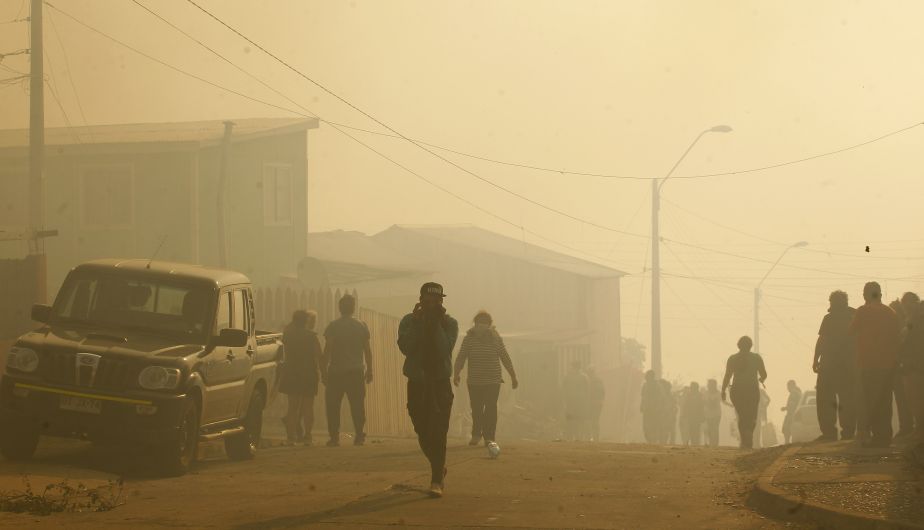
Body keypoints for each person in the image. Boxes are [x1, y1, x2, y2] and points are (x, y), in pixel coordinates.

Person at [398, 282, 459, 498]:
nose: (432, 305)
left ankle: (436, 479)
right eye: (428, 301)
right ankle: (437, 464)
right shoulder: (409, 321)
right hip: (417, 383)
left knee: (439, 432)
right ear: (420, 301)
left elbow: (444, 350)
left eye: (437, 301)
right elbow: (406, 347)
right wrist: (418, 324)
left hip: (440, 384)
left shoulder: (450, 324)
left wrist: (436, 326)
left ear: (442, 302)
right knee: (422, 430)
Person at [453, 310, 518, 447]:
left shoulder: (495, 338)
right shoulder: (469, 338)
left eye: (485, 323)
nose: (482, 326)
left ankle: (489, 437)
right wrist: (456, 373)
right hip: (475, 381)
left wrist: (513, 376)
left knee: (490, 408)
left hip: (493, 381)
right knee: (476, 408)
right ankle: (476, 434)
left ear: (489, 325)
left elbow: (504, 357)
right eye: (479, 323)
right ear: (475, 324)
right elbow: (461, 356)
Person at [849, 281, 901, 448]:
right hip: (888, 364)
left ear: (865, 295)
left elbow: (851, 333)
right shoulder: (890, 313)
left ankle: (872, 435)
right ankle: (884, 435)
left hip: (868, 364)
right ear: (880, 294)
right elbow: (897, 336)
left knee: (870, 400)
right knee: (885, 400)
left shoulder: (862, 312)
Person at [321, 294, 373, 447]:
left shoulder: (333, 326)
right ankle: (359, 435)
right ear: (353, 308)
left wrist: (323, 371)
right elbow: (367, 350)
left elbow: (327, 350)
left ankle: (334, 437)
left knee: (333, 405)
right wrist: (369, 370)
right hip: (355, 372)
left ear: (339, 308)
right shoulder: (361, 325)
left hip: (336, 372)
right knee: (357, 405)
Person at [813, 290, 858, 441]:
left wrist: (815, 359)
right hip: (848, 366)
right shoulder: (854, 316)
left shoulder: (829, 318)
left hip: (829, 366)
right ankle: (848, 432)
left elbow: (822, 340)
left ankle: (829, 433)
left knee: (826, 400)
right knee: (848, 399)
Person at [279, 310, 321, 445]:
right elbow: (319, 355)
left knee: (292, 407)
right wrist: (324, 373)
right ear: (306, 321)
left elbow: (282, 353)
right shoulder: (312, 336)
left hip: (291, 373)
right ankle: (308, 436)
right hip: (309, 374)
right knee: (308, 407)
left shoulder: (287, 336)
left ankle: (291, 438)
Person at [721, 336, 767, 449]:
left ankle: (744, 440)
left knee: (741, 415)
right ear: (751, 346)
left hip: (737, 391)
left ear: (738, 345)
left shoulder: (732, 359)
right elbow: (764, 374)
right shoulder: (756, 358)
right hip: (752, 390)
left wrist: (723, 390)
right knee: (752, 415)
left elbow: (727, 376)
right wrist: (761, 380)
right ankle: (749, 435)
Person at [899, 293, 924, 441]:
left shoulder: (915, 321)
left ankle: (920, 429)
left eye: (909, 304)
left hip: (914, 368)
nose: (907, 307)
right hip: (914, 367)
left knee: (916, 400)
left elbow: (906, 344)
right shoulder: (912, 320)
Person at [889, 299, 915, 439]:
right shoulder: (906, 327)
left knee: (905, 399)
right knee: (905, 399)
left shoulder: (906, 328)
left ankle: (907, 427)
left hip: (904, 368)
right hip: (902, 368)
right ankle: (908, 427)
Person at [562, 361, 590, 441]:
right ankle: (578, 437)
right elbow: (587, 390)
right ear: (580, 367)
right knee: (579, 419)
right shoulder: (584, 377)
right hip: (580, 402)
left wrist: (564, 400)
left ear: (573, 367)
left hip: (570, 401)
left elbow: (563, 389)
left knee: (570, 419)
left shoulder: (567, 377)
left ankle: (570, 436)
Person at [640, 370, 664, 444]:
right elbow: (643, 397)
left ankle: (653, 441)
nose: (646, 377)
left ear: (651, 377)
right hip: (647, 409)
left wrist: (658, 407)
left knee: (653, 426)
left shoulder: (657, 386)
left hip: (654, 410)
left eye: (647, 376)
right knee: (646, 427)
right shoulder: (645, 385)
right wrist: (641, 406)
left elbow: (660, 398)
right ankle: (650, 440)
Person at [587, 366, 606, 442]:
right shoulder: (599, 381)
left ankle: (591, 437)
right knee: (595, 420)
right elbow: (603, 392)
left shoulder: (589, 381)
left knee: (591, 420)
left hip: (591, 403)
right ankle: (595, 437)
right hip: (598, 404)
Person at [781, 380, 803, 444]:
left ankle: (787, 443)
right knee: (792, 429)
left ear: (791, 385)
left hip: (791, 414)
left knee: (785, 429)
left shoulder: (794, 393)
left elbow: (792, 405)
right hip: (796, 414)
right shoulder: (799, 392)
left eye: (788, 387)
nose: (787, 389)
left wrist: (785, 408)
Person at [703, 379, 722, 447]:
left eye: (710, 384)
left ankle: (715, 444)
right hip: (708, 414)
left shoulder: (718, 393)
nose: (709, 386)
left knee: (715, 428)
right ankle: (711, 443)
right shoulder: (705, 393)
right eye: (709, 385)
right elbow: (704, 402)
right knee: (710, 429)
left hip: (716, 414)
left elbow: (716, 402)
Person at [661, 380, 678, 444]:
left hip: (670, 415)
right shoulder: (662, 396)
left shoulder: (671, 396)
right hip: (665, 415)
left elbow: (675, 406)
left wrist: (672, 413)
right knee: (665, 430)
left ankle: (671, 442)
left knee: (671, 430)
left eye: (667, 387)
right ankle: (664, 442)